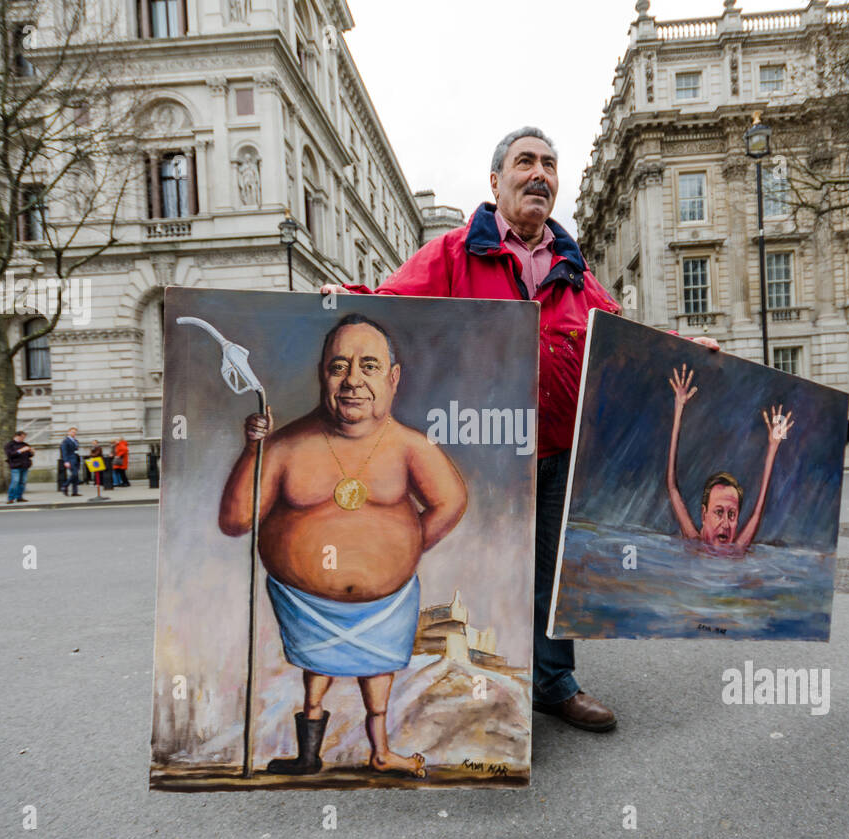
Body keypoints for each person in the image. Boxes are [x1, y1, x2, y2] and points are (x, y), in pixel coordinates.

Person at [322, 127, 720, 733]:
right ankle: (469, 687)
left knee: (553, 574)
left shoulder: (576, 272)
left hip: (558, 451)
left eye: (550, 165)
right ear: (495, 181)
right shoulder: (453, 254)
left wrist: (683, 351)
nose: (540, 173)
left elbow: (622, 349)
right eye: (525, 162)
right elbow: (388, 309)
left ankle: (555, 684)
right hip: (479, 453)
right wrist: (342, 298)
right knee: (475, 565)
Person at [219, 315, 468, 777]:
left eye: (368, 366)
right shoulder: (285, 446)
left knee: (377, 675)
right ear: (322, 375)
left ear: (392, 378)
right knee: (317, 672)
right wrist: (253, 450)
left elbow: (450, 502)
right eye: (339, 367)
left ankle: (380, 751)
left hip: (384, 605)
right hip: (306, 603)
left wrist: (400, 550)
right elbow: (235, 521)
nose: (353, 380)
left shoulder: (410, 446)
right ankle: (308, 753)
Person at [665, 365, 793, 556]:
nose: (725, 524)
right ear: (703, 514)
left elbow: (757, 513)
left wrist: (773, 447)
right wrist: (678, 409)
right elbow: (672, 487)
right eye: (718, 512)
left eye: (732, 514)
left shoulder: (736, 551)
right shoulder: (695, 542)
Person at [4, 431, 34, 503]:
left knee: (22, 482)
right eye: (22, 437)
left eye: (24, 437)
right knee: (15, 481)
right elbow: (10, 454)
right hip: (15, 465)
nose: (23, 439)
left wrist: (32, 452)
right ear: (17, 436)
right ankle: (11, 498)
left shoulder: (25, 444)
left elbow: (29, 455)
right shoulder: (9, 445)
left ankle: (19, 497)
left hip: (25, 465)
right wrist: (20, 451)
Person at [59, 427, 81, 496]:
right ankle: (64, 486)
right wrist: (66, 461)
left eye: (75, 432)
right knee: (74, 474)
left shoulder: (75, 441)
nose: (74, 433)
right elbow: (64, 452)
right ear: (68, 432)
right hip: (70, 459)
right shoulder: (65, 441)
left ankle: (75, 492)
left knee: (76, 475)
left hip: (76, 459)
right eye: (72, 432)